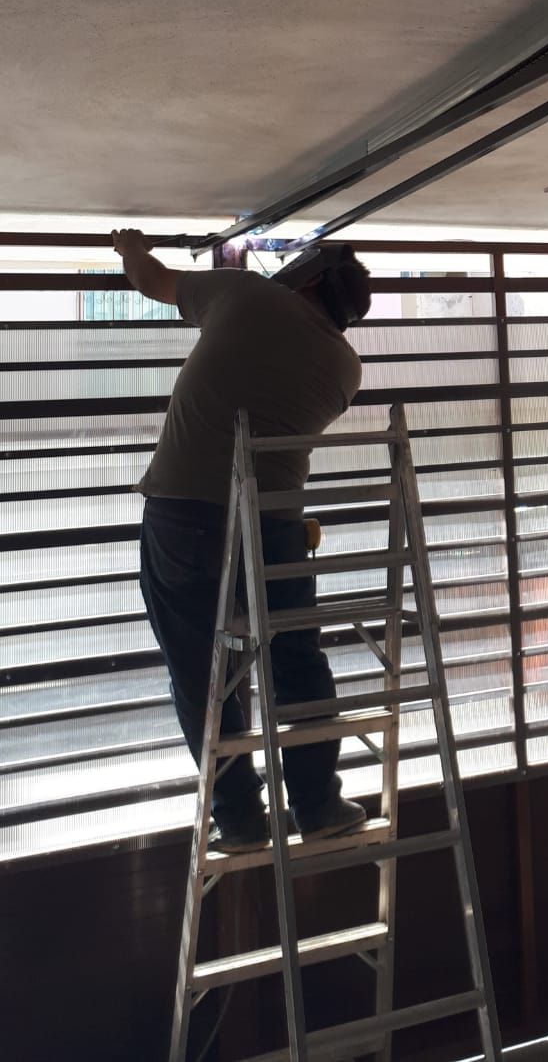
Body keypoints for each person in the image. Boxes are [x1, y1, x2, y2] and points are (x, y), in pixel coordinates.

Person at [112, 228, 373, 852]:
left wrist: (128, 249)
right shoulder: (345, 366)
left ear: (309, 277)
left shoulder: (245, 295)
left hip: (186, 515)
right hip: (274, 524)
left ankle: (240, 821)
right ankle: (318, 805)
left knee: (202, 671)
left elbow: (156, 282)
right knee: (296, 661)